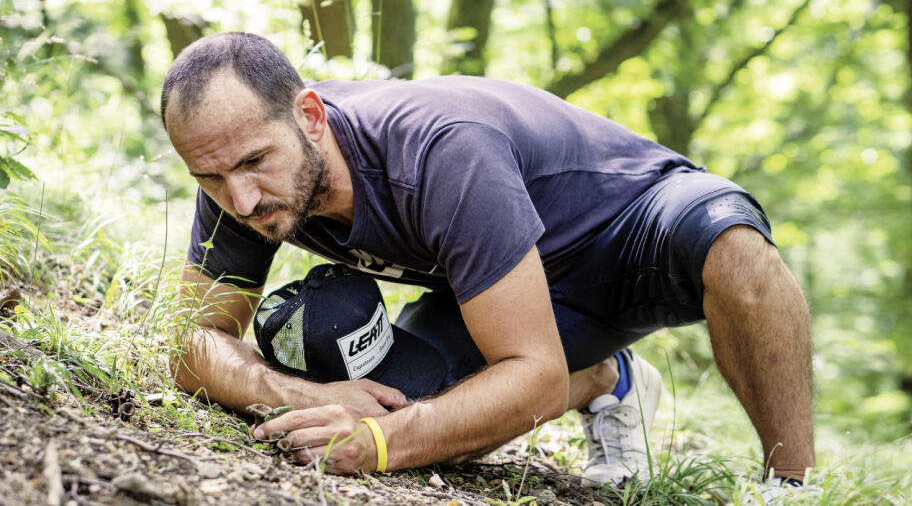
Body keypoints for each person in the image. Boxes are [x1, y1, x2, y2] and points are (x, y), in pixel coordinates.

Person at [163, 32, 815, 486]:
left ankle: (793, 483)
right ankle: (602, 378)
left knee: (732, 245)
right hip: (511, 291)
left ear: (309, 116)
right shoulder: (235, 170)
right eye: (210, 177)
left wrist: (380, 447)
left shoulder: (438, 152)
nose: (240, 198)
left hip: (630, 229)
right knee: (413, 408)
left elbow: (527, 376)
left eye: (253, 163)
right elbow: (194, 341)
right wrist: (302, 393)